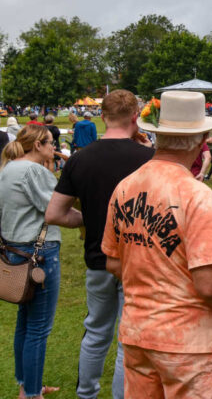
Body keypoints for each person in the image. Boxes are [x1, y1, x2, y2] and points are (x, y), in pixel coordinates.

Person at [101, 91, 212, 397]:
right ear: (200, 139)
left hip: (138, 333)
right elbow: (210, 284)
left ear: (157, 135)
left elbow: (112, 260)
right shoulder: (196, 195)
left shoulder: (125, 187)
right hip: (190, 343)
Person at [44, 90, 155, 399]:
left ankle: (87, 394)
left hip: (98, 258)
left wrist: (88, 218)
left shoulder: (80, 158)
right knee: (126, 340)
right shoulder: (148, 159)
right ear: (135, 117)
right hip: (138, 260)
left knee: (96, 333)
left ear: (102, 116)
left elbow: (54, 214)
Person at [1, 125, 83, 399]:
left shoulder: (9, 167)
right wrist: (90, 219)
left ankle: (27, 385)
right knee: (38, 327)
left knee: (25, 322)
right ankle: (32, 394)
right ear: (37, 144)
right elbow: (58, 211)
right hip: (38, 254)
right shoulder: (32, 171)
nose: (53, 146)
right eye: (50, 142)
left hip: (16, 251)